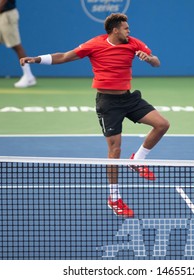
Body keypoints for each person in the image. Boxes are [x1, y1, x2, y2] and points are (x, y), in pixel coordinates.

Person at [20, 13, 170, 218]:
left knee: (162, 124)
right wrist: (36, 59)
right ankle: (114, 198)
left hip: (128, 98)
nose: (129, 31)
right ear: (115, 30)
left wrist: (149, 58)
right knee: (115, 151)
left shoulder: (133, 44)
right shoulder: (95, 44)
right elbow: (64, 56)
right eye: (125, 28)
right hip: (108, 104)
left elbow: (157, 63)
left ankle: (138, 159)